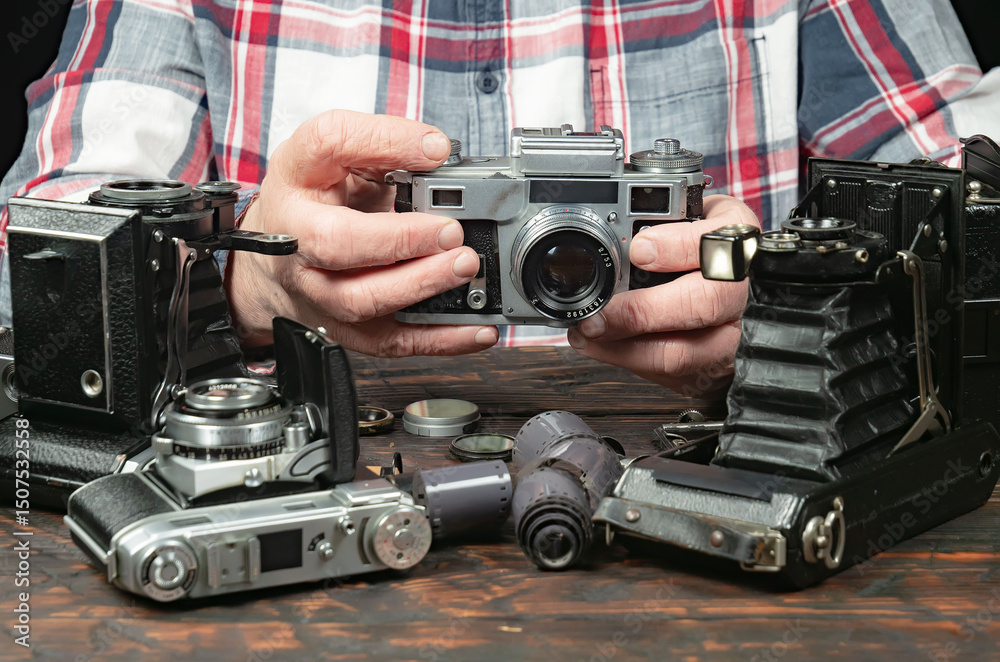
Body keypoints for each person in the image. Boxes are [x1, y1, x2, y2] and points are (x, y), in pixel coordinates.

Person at [1, 0, 997, 396]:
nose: (559, 264)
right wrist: (244, 289)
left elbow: (972, 211)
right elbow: (42, 261)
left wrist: (791, 307)